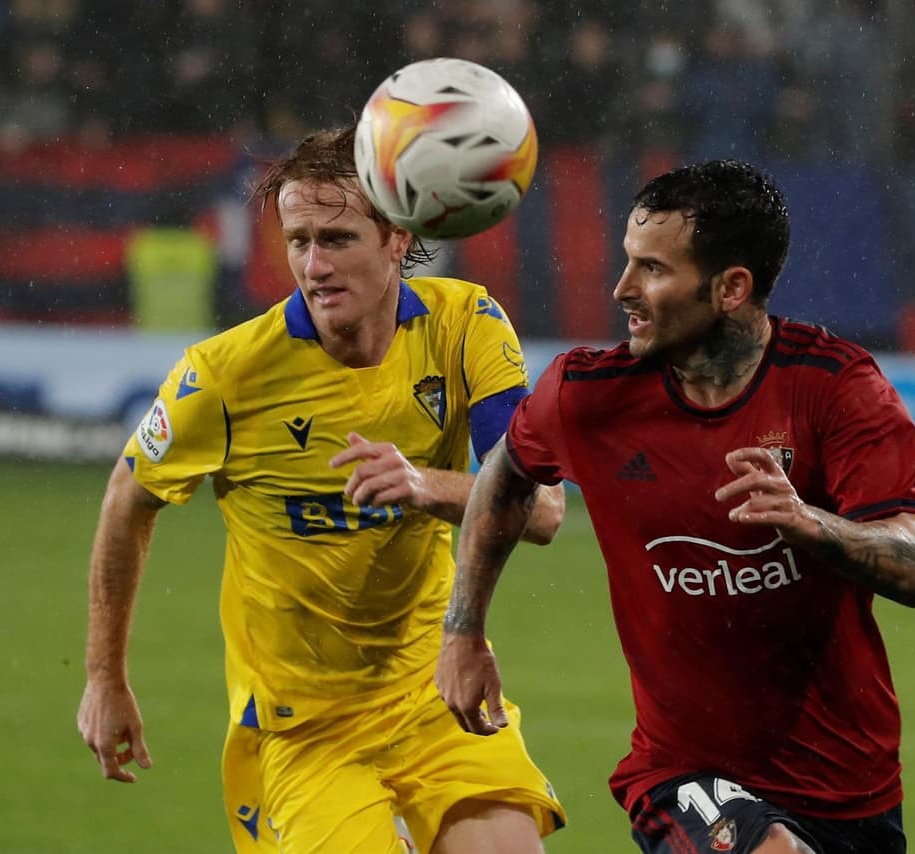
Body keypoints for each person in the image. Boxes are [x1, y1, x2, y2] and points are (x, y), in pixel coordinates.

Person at [77, 127, 567, 854]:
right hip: (303, 725)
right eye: (297, 239)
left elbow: (545, 510)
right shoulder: (225, 376)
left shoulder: (466, 324)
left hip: (436, 694)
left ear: (397, 238)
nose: (312, 264)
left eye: (336, 238)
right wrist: (104, 676)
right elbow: (128, 498)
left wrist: (422, 484)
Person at [437, 159, 915, 854]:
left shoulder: (836, 390)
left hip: (851, 787)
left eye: (652, 269)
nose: (622, 290)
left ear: (732, 287)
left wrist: (809, 523)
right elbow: (506, 477)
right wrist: (463, 630)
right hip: (683, 773)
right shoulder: (587, 396)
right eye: (626, 263)